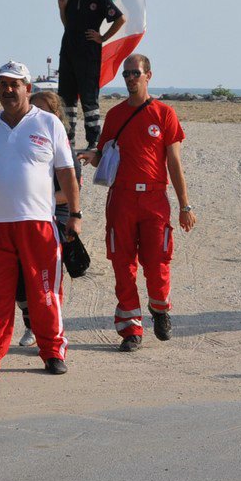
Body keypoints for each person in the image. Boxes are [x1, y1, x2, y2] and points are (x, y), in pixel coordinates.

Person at [0, 61, 79, 377]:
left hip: (37, 222)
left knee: (44, 294)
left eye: (14, 84)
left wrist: (75, 215)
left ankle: (53, 352)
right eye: (3, 85)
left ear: (28, 88)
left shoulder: (49, 123)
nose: (8, 90)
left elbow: (66, 172)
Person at [80, 54, 195, 351]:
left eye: (135, 73)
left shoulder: (165, 114)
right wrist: (93, 157)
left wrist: (185, 206)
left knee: (157, 262)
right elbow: (105, 157)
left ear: (148, 76)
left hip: (155, 199)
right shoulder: (116, 115)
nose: (130, 78)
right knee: (122, 264)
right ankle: (131, 329)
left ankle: (160, 309)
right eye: (126, 74)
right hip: (121, 198)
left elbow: (174, 162)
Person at [22, 90, 82, 346]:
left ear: (56, 115)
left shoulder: (64, 147)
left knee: (44, 279)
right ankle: (29, 323)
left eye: (43, 110)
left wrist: (36, 196)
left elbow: (69, 191)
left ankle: (49, 332)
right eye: (32, 108)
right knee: (19, 279)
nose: (37, 115)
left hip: (53, 219)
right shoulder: (23, 143)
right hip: (22, 216)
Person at [57, 0, 125, 149]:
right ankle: (67, 140)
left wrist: (103, 37)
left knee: (88, 97)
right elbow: (67, 24)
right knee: (66, 98)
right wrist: (62, 9)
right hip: (68, 52)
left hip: (88, 54)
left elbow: (120, 18)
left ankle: (93, 140)